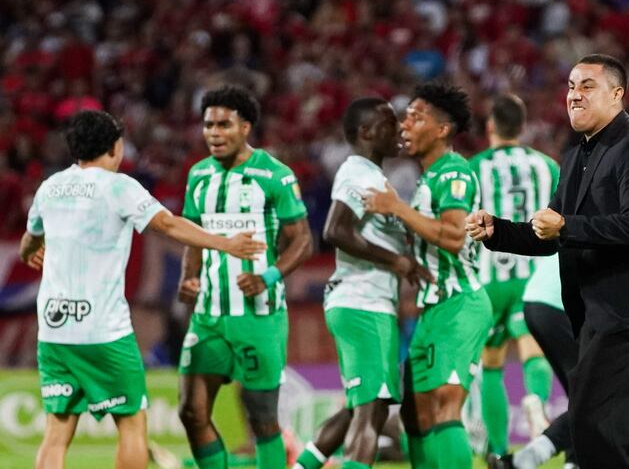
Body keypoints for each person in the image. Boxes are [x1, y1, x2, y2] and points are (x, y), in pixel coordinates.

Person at [468, 54, 629, 469]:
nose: (574, 95)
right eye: (571, 86)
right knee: (595, 428)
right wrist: (498, 231)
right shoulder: (576, 156)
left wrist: (567, 227)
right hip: (599, 313)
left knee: (598, 426)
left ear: (617, 94)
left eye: (587, 86)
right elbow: (550, 235)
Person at [22, 110, 263, 469]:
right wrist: (224, 243)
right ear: (115, 148)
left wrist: (30, 252)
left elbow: (30, 238)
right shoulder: (118, 186)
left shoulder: (50, 187)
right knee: (132, 422)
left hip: (55, 331)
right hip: (103, 331)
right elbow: (167, 224)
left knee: (57, 430)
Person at [501, 139, 629, 469]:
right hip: (560, 303)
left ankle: (550, 458)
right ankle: (538, 458)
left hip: (546, 301)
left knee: (593, 398)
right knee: (600, 399)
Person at [178, 85, 314, 469]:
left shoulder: (273, 175)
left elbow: (303, 241)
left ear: (246, 127)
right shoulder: (198, 175)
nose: (214, 133)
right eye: (208, 125)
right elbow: (192, 234)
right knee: (191, 412)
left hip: (258, 315)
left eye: (224, 125)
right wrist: (189, 277)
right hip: (208, 315)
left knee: (262, 419)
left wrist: (268, 277)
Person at [361, 82, 493, 469]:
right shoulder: (428, 179)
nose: (404, 125)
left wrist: (396, 208)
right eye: (405, 117)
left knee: (445, 402)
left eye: (416, 118)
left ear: (442, 129)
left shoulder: (454, 172)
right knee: (414, 415)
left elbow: (453, 236)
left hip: (460, 305)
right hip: (431, 310)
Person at [293, 99, 429, 469]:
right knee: (372, 409)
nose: (398, 128)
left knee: (362, 407)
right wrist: (398, 261)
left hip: (366, 303)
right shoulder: (358, 174)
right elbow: (335, 230)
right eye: (388, 122)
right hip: (362, 301)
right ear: (366, 132)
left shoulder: (373, 176)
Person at [468, 94, 560, 462]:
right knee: (532, 351)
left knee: (491, 362)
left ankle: (497, 451)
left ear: (490, 126)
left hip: (490, 277)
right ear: (522, 128)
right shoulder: (547, 166)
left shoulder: (473, 167)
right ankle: (535, 401)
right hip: (534, 275)